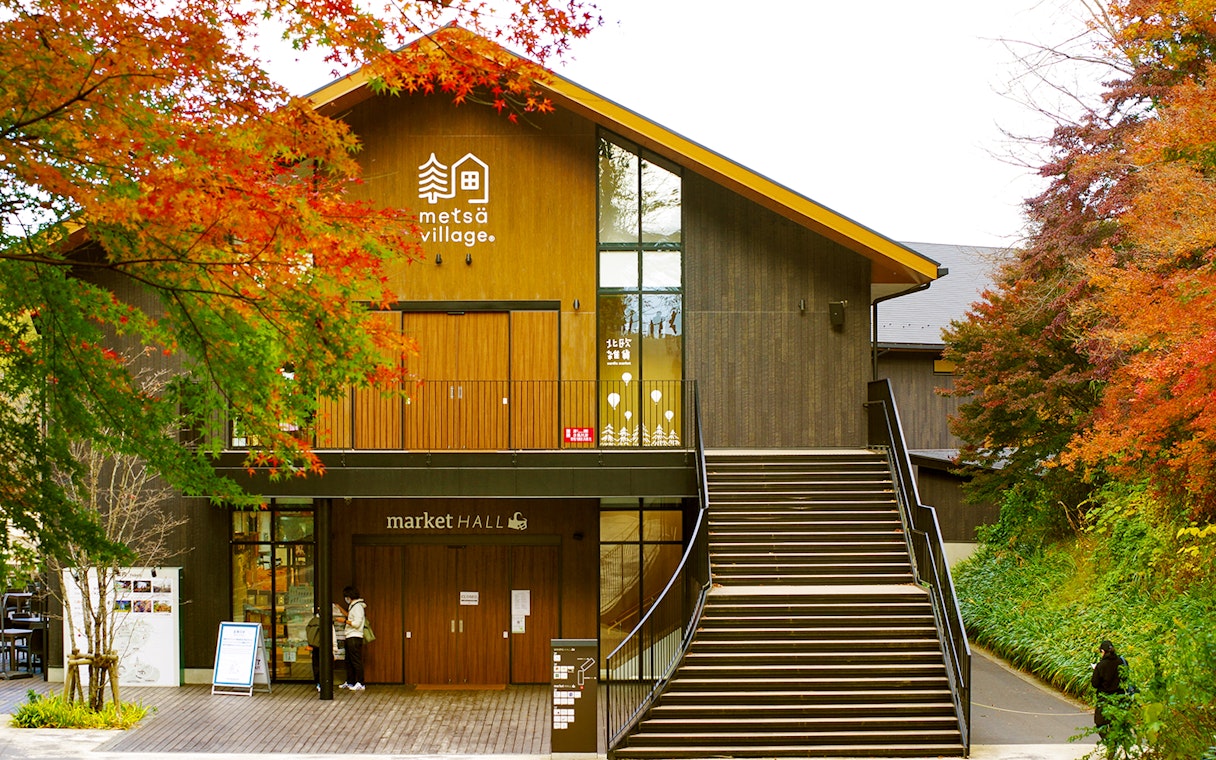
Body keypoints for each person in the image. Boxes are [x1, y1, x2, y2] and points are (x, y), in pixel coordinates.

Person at [1091, 639, 1126, 732]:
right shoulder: (1122, 662)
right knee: (1117, 723)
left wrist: (1096, 671)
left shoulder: (1101, 665)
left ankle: (1108, 742)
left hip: (1104, 698)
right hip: (1120, 697)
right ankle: (1114, 742)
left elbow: (1094, 683)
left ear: (1103, 651)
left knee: (1100, 723)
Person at [339, 586, 366, 691]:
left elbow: (356, 623)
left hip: (355, 636)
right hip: (350, 635)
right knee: (349, 661)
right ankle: (350, 682)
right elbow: (350, 616)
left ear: (349, 596)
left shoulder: (358, 607)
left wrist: (344, 621)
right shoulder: (353, 606)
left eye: (346, 597)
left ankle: (360, 682)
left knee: (356, 660)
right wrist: (339, 608)